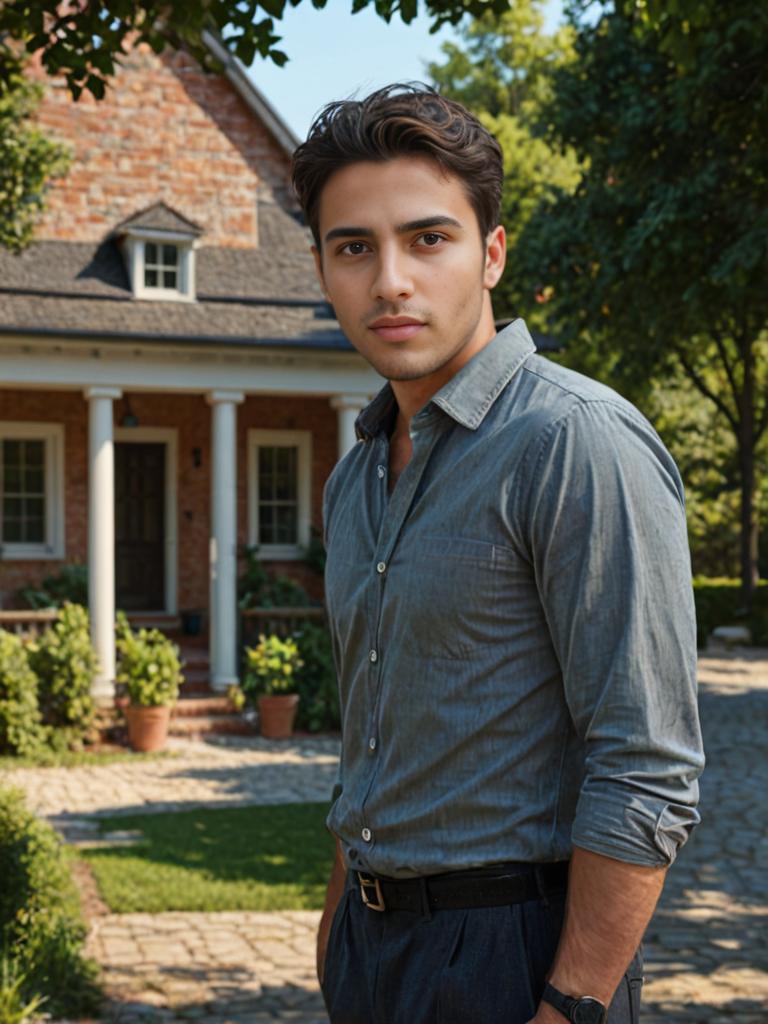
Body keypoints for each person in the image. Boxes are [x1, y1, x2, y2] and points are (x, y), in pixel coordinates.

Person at [291, 84, 704, 1024]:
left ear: (492, 255)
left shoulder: (576, 443)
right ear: (322, 269)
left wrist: (572, 1005)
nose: (390, 280)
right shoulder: (354, 481)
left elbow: (645, 762)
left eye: (427, 239)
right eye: (354, 247)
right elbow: (371, 736)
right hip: (367, 949)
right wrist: (336, 932)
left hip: (515, 957)